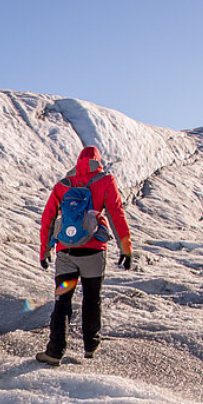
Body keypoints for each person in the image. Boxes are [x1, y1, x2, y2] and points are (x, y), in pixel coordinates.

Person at [36, 145, 132, 364]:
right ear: (98, 161)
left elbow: (48, 219)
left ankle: (54, 351)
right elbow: (117, 214)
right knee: (91, 298)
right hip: (94, 252)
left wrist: (45, 250)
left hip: (66, 253)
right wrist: (126, 248)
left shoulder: (63, 185)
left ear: (78, 162)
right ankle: (90, 346)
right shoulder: (105, 181)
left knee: (62, 302)